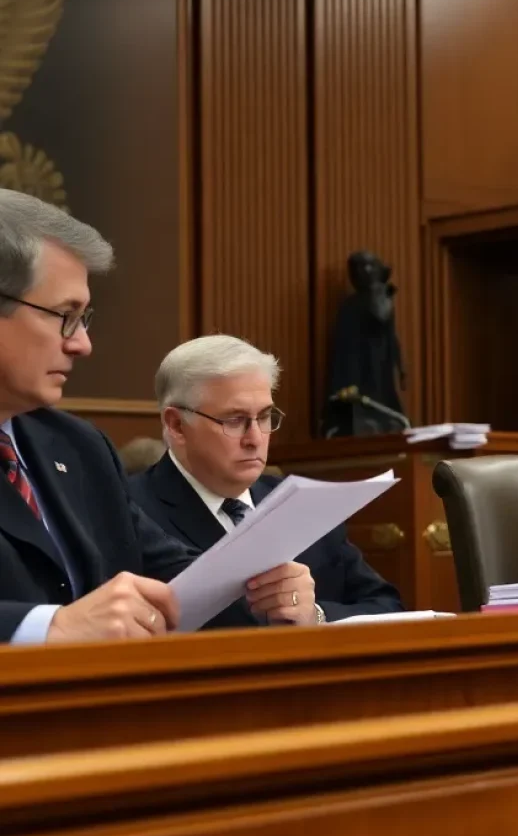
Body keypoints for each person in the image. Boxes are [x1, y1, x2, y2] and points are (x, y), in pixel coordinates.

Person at [0, 190, 315, 644]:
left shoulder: (78, 446)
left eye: (84, 318)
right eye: (65, 316)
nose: (82, 344)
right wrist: (47, 628)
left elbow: (178, 580)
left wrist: (267, 595)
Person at [130, 335, 403, 627]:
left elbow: (390, 609)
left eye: (264, 417)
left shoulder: (303, 503)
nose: (256, 439)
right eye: (234, 420)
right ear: (177, 425)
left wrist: (316, 616)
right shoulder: (127, 509)